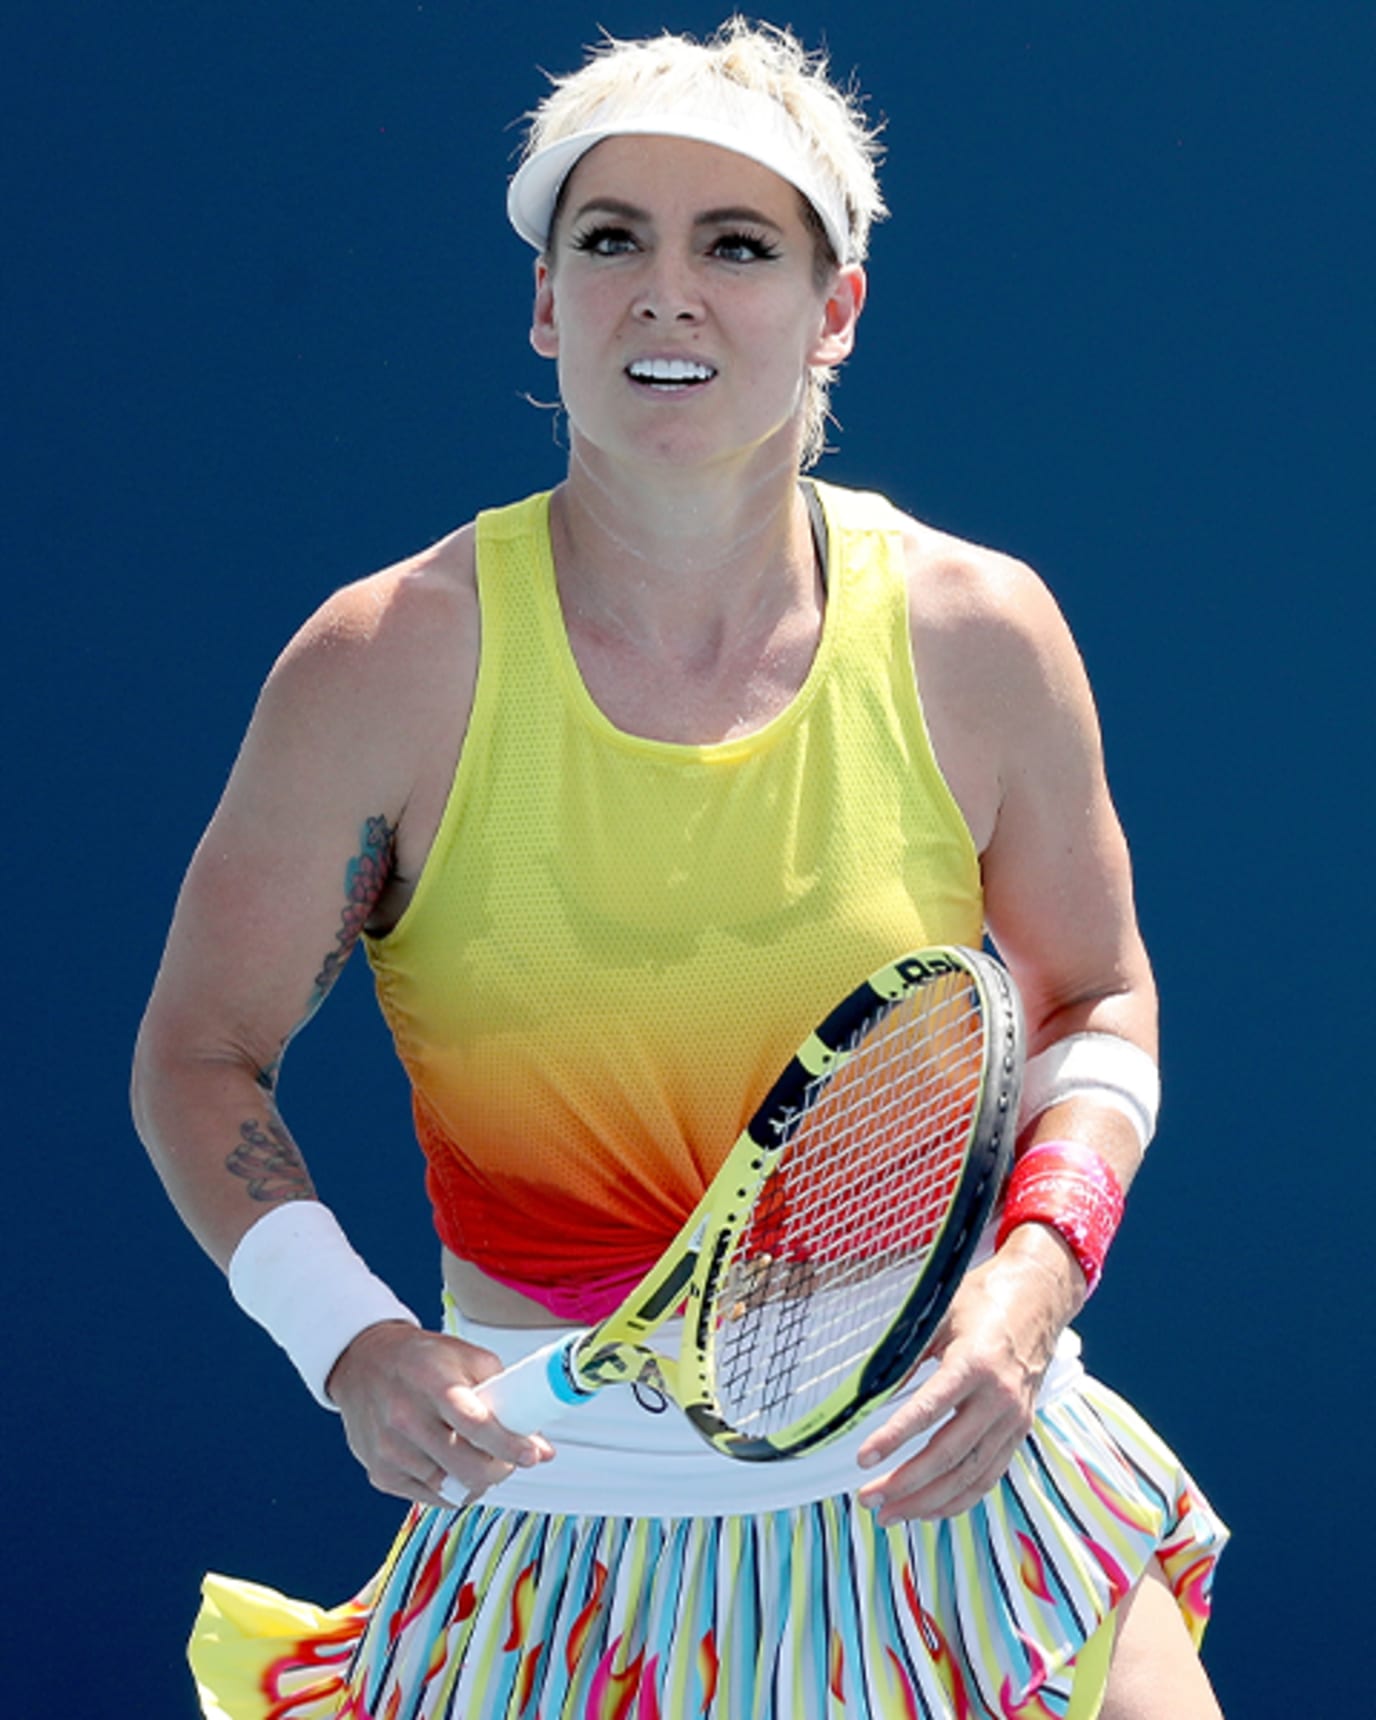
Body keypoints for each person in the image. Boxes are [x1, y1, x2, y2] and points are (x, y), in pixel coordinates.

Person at [133, 20, 1227, 1719]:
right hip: (554, 1543)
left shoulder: (979, 636)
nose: (668, 292)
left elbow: (1097, 998)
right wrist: (349, 1341)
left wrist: (1028, 1285)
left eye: (737, 245)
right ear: (547, 305)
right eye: (611, 239)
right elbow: (199, 1058)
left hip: (971, 1504)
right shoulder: (380, 666)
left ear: (834, 307)